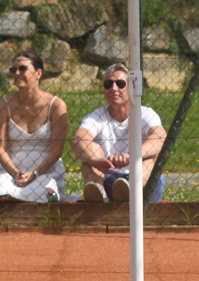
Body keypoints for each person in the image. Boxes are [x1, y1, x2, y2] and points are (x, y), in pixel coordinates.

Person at [0, 52, 69, 203]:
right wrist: (15, 173)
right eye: (13, 70)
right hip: (12, 173)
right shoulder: (2, 106)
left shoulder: (56, 105)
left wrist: (35, 173)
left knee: (42, 195)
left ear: (38, 73)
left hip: (45, 173)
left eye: (22, 68)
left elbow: (57, 150)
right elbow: (0, 149)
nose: (16, 73)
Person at [71, 64, 167, 203]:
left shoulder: (145, 113)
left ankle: (129, 191)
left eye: (120, 84)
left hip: (141, 181)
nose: (113, 89)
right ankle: (99, 194)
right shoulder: (97, 116)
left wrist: (132, 156)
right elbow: (78, 140)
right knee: (88, 160)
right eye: (108, 84)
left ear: (131, 87)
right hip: (108, 177)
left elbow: (160, 137)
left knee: (152, 158)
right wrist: (97, 161)